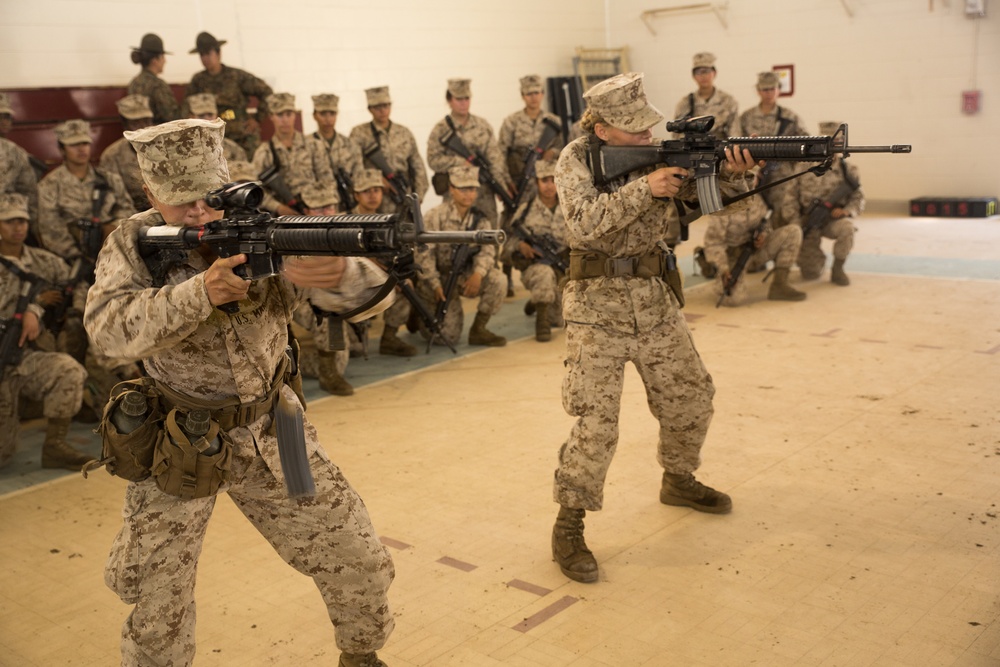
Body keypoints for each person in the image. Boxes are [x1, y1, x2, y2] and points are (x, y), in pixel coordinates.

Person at [83, 118, 395, 667]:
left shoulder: (268, 229)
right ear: (151, 193)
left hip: (279, 431)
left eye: (209, 198)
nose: (200, 214)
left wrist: (341, 272)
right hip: (178, 441)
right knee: (159, 604)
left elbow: (372, 300)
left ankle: (361, 656)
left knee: (355, 553)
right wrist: (198, 293)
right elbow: (106, 330)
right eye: (181, 203)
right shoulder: (134, 243)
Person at [552, 72, 756, 583]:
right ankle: (569, 524)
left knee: (692, 397)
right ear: (603, 131)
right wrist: (646, 188)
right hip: (595, 307)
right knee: (596, 424)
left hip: (653, 296)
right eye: (636, 130)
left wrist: (734, 174)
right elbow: (583, 221)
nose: (648, 136)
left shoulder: (662, 156)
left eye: (648, 127)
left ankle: (679, 479)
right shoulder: (575, 159)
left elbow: (701, 204)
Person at [0, 193, 91, 471]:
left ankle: (55, 446)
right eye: (10, 221)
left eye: (23, 221)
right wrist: (35, 305)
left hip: (25, 358)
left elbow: (78, 287)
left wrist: (69, 310)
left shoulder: (44, 262)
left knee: (68, 371)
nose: (19, 227)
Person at [415, 165, 507, 348]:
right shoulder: (435, 216)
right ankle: (418, 311)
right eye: (462, 189)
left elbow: (488, 251)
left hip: (464, 276)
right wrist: (434, 284)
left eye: (472, 189)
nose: (468, 194)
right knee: (446, 337)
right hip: (439, 280)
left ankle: (478, 330)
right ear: (451, 189)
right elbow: (424, 254)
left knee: (499, 280)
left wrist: (478, 274)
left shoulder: (480, 219)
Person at [38, 120, 135, 262]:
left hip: (113, 250)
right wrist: (77, 256)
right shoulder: (49, 185)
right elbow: (51, 229)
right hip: (72, 258)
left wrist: (111, 229)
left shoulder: (109, 179)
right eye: (74, 145)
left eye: (85, 143)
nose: (81, 149)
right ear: (62, 149)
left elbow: (127, 211)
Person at [781, 121, 865, 286]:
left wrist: (847, 211)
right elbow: (789, 198)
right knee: (810, 273)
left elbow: (858, 198)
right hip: (807, 221)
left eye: (836, 143)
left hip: (831, 221)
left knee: (847, 228)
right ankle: (816, 258)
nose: (832, 146)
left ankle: (838, 268)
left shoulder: (848, 170)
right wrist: (796, 223)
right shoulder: (803, 166)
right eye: (828, 142)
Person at [426, 79, 513, 226]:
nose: (463, 103)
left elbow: (495, 158)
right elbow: (433, 160)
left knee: (488, 234)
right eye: (459, 99)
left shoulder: (482, 125)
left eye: (467, 98)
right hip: (455, 195)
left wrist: (500, 186)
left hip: (483, 192)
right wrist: (461, 163)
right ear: (449, 100)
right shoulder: (441, 129)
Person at [350, 169, 417, 357]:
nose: (372, 196)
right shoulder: (344, 220)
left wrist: (398, 277)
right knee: (353, 350)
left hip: (379, 282)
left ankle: (389, 338)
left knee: (406, 285)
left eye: (376, 190)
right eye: (366, 191)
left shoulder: (387, 222)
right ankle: (354, 333)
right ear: (356, 195)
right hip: (351, 287)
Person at [501, 160, 567, 342]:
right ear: (536, 182)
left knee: (561, 320)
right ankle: (541, 320)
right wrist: (520, 246)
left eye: (553, 180)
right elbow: (506, 242)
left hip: (564, 268)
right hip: (536, 268)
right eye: (544, 180)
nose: (549, 186)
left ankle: (537, 301)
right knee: (544, 274)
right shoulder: (525, 210)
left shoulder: (569, 206)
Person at [699, 194, 806, 306]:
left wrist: (764, 235)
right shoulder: (722, 206)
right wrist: (723, 267)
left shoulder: (756, 198)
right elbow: (713, 243)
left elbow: (766, 224)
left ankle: (779, 285)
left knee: (793, 232)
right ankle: (708, 264)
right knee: (732, 299)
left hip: (756, 250)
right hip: (733, 256)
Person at [737, 71, 809, 227]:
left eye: (772, 88)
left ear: (778, 89)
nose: (768, 93)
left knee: (781, 215)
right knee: (753, 217)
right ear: (758, 90)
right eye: (764, 89)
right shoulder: (746, 117)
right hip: (753, 174)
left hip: (781, 175)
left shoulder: (789, 118)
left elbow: (806, 144)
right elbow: (737, 145)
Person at [185, 31, 273, 156]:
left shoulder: (237, 76)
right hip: (210, 135)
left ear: (218, 53)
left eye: (208, 53)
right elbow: (186, 108)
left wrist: (257, 119)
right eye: (202, 55)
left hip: (241, 133)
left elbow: (266, 92)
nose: (205, 58)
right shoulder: (197, 81)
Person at [251, 93, 336, 216]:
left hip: (315, 212)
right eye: (280, 115)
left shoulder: (314, 145)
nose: (285, 120)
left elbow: (327, 180)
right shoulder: (264, 152)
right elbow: (256, 190)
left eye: (289, 114)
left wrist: (318, 207)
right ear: (271, 117)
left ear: (295, 115)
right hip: (281, 217)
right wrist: (279, 207)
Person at [349, 86, 429, 214]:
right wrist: (378, 180)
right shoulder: (359, 133)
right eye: (377, 107)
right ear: (369, 109)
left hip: (403, 196)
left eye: (386, 106)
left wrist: (417, 198)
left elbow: (418, 167)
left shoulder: (404, 133)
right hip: (373, 201)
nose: (382, 111)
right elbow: (355, 168)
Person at [497, 75, 564, 199]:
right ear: (522, 96)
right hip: (520, 180)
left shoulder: (553, 121)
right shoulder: (512, 122)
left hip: (548, 183)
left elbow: (563, 148)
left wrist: (552, 152)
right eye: (529, 94)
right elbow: (500, 154)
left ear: (542, 94)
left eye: (536, 93)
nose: (533, 97)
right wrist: (506, 181)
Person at [307, 93, 364, 205]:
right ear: (314, 115)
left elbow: (359, 175)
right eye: (323, 114)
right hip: (319, 205)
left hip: (348, 202)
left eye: (332, 114)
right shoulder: (306, 145)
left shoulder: (350, 144)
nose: (328, 119)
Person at [100, 95, 155, 211]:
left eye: (146, 121)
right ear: (125, 124)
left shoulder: (165, 147)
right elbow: (116, 199)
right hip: (132, 213)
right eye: (135, 123)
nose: (143, 127)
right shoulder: (112, 155)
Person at [0, 93, 41, 243]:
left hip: (7, 221)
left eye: (7, 116)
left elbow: (29, 191)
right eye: (0, 116)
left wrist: (32, 228)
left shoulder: (15, 152)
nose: (4, 121)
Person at [673, 52, 739, 140]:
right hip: (693, 150)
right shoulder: (685, 103)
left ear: (714, 73)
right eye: (698, 72)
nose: (703, 76)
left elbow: (734, 133)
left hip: (720, 149)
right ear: (693, 76)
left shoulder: (728, 101)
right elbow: (677, 135)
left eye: (706, 71)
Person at [126, 33, 181, 126]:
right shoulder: (158, 85)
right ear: (155, 60)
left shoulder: (133, 83)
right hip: (157, 138)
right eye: (163, 56)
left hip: (137, 137)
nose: (165, 61)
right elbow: (173, 117)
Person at [186, 92, 248, 162]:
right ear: (190, 117)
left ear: (216, 116)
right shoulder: (182, 149)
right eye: (201, 116)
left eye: (210, 115)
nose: (207, 120)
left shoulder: (233, 150)